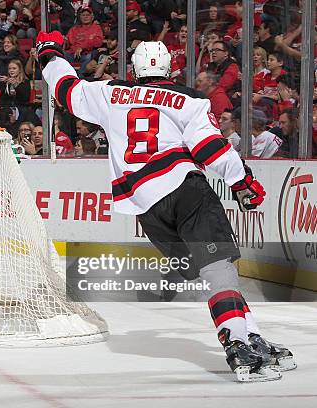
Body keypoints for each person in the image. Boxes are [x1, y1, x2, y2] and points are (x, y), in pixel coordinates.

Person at [36, 33, 295, 381]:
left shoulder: (109, 92)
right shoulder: (188, 99)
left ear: (134, 68)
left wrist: (50, 53)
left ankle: (249, 334)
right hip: (184, 188)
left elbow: (65, 89)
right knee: (218, 265)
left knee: (211, 269)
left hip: (146, 207)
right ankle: (236, 339)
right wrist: (242, 182)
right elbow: (208, 149)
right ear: (170, 68)